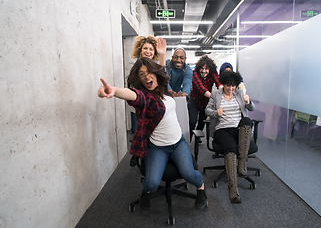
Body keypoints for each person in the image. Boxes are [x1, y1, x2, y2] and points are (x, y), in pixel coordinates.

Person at [97, 57, 207, 212]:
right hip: (158, 147)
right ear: (139, 80)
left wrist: (161, 54)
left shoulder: (163, 89)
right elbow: (134, 95)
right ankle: (146, 192)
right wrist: (114, 91)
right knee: (151, 183)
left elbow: (161, 71)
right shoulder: (146, 99)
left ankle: (201, 188)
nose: (147, 76)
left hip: (178, 142)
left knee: (189, 174)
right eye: (142, 75)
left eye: (149, 72)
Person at [205, 70, 256, 204]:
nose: (231, 88)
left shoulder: (239, 94)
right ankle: (233, 188)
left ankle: (242, 166)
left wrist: (248, 101)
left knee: (247, 121)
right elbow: (207, 110)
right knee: (231, 146)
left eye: (233, 85)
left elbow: (252, 109)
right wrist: (216, 112)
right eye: (228, 85)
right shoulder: (216, 94)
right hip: (222, 129)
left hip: (238, 128)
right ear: (223, 84)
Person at [188, 55, 222, 142]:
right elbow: (201, 88)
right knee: (192, 121)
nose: (204, 71)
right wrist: (214, 97)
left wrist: (224, 93)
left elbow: (219, 83)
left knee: (202, 121)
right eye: (202, 68)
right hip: (194, 100)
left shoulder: (213, 72)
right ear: (199, 68)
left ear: (210, 69)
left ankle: (197, 138)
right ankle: (188, 139)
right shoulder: (194, 73)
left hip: (206, 102)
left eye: (206, 69)